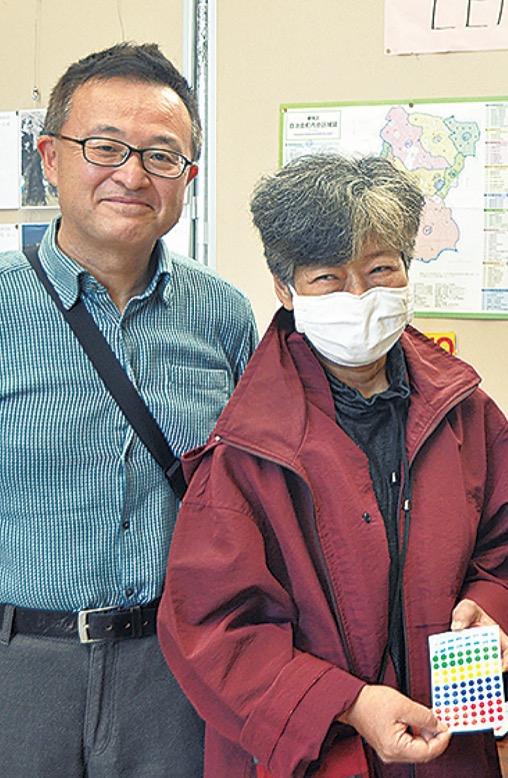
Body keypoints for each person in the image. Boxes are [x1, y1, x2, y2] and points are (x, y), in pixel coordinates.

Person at [157, 153, 508, 777]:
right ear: (285, 289)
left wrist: (493, 606)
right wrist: (349, 704)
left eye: (380, 269)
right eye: (329, 278)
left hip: (450, 751)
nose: (360, 296)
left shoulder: (466, 412)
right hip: (316, 758)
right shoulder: (246, 447)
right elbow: (213, 630)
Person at [0, 42, 257, 775]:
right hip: (19, 665)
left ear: (188, 179)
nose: (133, 175)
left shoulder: (224, 315)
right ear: (50, 158)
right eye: (105, 147)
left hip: (177, 669)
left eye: (161, 156)